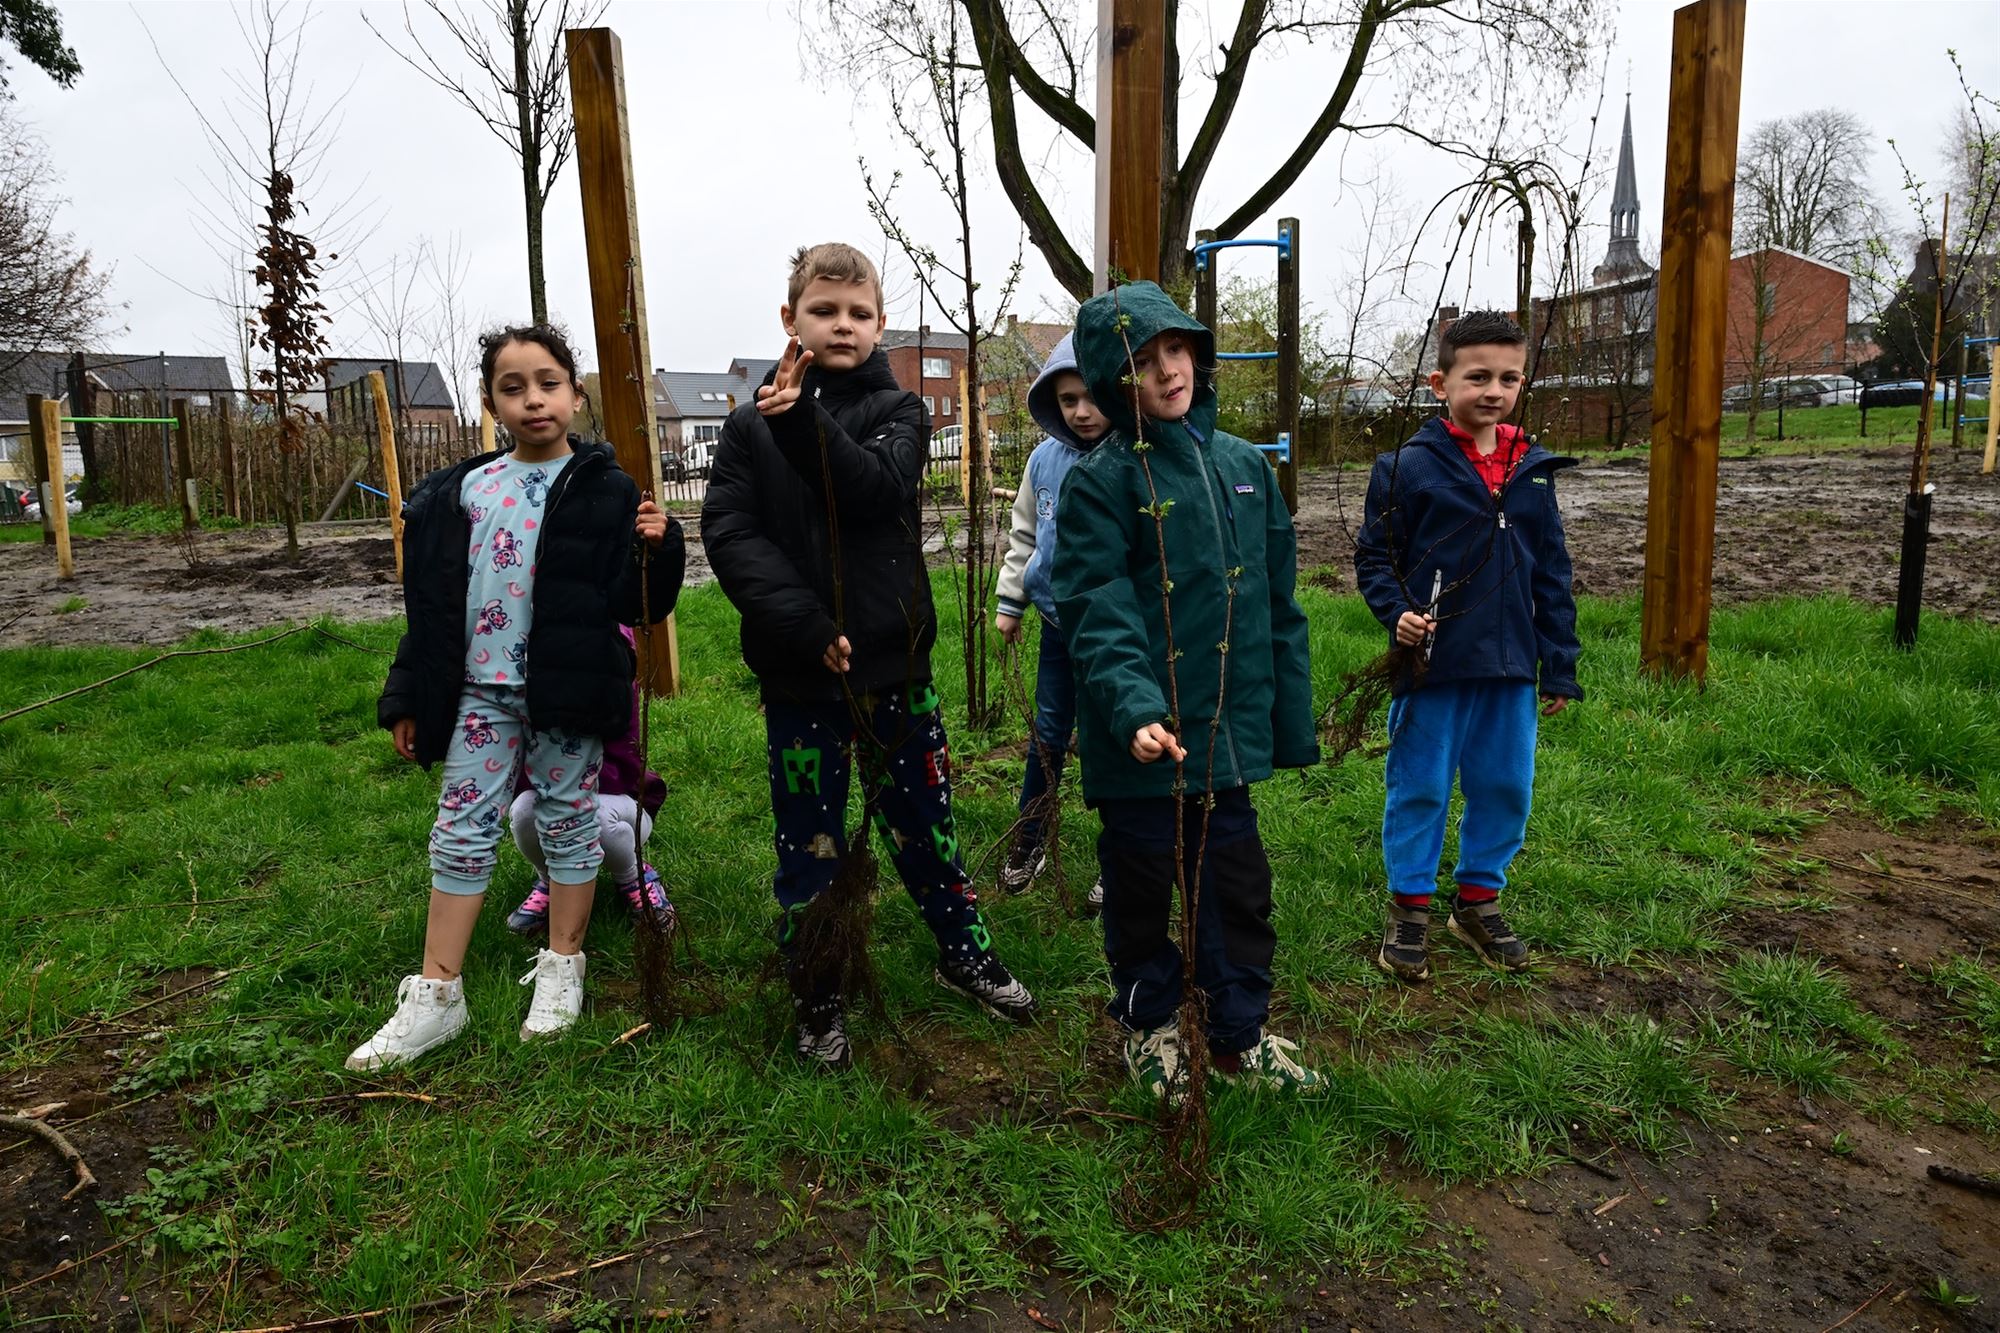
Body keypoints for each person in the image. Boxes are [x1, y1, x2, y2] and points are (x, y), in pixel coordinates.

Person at [701, 242, 1037, 1069]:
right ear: (791, 319)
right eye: (824, 311)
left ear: (881, 324)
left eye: (858, 313)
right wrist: (806, 626)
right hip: (800, 677)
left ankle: (962, 952)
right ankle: (819, 989)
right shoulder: (746, 428)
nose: (842, 325)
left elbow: (873, 488)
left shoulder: (902, 412)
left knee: (926, 828)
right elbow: (731, 534)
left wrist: (801, 421)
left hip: (895, 674)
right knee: (812, 844)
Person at [349, 324, 683, 1071]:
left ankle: (563, 970)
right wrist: (407, 693)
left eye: (548, 383)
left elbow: (637, 605)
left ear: (574, 394)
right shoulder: (462, 492)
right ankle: (437, 995)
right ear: (491, 401)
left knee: (567, 820)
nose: (533, 399)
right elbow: (431, 609)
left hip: (567, 691)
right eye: (513, 387)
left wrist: (661, 549)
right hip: (479, 693)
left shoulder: (608, 488)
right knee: (460, 827)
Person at [1053, 280, 1321, 1101]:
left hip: (1222, 739)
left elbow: (1278, 603)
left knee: (1236, 887)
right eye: (1142, 360)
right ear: (1112, 379)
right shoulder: (1102, 482)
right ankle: (1150, 1024)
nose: (1168, 370)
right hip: (1142, 742)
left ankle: (1238, 1034)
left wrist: (1286, 720)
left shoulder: (1244, 468)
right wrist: (1135, 707)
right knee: (1141, 885)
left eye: (1176, 349)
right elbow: (1097, 606)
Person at [1351, 309, 1581, 983]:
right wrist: (1398, 614)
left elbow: (1553, 573)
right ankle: (1410, 907)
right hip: (1434, 667)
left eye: (1509, 378)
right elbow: (1375, 558)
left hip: (1510, 669)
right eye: (1478, 376)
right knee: (1420, 786)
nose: (1494, 390)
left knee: (1504, 786)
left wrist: (1558, 664)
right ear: (1440, 382)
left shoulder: (1533, 469)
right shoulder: (1404, 468)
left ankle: (1478, 900)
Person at [993, 334, 1109, 912]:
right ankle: (1031, 836)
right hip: (1058, 627)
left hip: (1115, 635)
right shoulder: (1043, 461)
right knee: (1047, 733)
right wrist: (1011, 601)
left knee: (1114, 738)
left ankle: (1122, 854)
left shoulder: (1134, 458)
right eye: (1067, 400)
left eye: (1092, 397)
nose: (1081, 412)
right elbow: (1026, 535)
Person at [505, 624, 671, 937]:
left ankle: (633, 877)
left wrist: (568, 774)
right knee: (524, 811)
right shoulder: (535, 684)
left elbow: (622, 767)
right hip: (553, 796)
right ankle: (550, 879)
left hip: (616, 801)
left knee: (594, 817)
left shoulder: (613, 683)